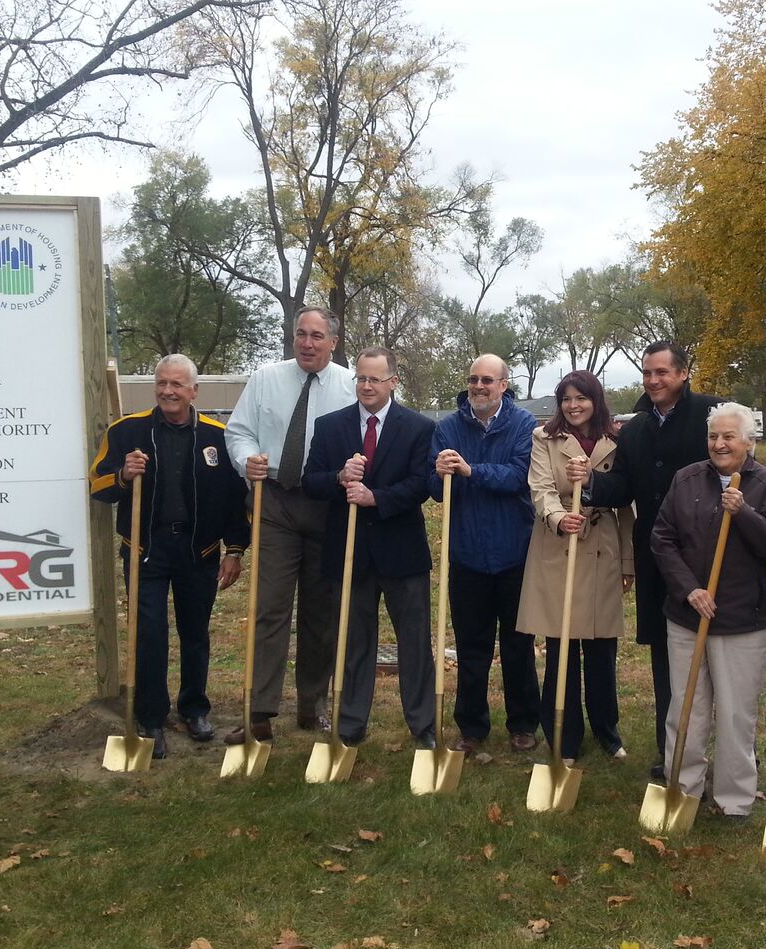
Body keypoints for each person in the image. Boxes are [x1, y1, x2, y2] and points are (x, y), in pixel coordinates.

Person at [565, 341, 724, 781]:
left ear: (683, 373)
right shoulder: (633, 431)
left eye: (662, 373)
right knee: (666, 659)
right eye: (647, 373)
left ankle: (726, 758)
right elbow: (624, 488)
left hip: (711, 555)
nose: (653, 381)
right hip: (658, 558)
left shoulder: (712, 417)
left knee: (721, 659)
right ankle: (670, 751)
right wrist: (593, 482)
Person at [89, 354, 249, 758]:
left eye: (177, 385)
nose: (168, 391)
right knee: (149, 634)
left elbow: (235, 501)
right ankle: (151, 718)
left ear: (194, 391)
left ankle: (195, 709)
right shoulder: (128, 432)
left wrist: (234, 549)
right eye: (162, 383)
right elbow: (97, 485)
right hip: (147, 551)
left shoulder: (217, 437)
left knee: (195, 634)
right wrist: (124, 475)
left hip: (200, 550)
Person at [649, 402, 766, 818]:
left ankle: (734, 800)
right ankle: (684, 786)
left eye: (729, 436)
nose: (719, 444)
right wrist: (690, 589)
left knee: (735, 715)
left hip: (741, 621)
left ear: (749, 442)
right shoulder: (687, 479)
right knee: (686, 708)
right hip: (688, 615)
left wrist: (744, 513)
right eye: (714, 436)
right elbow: (662, 539)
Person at [223, 306, 355, 744]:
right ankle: (258, 709)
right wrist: (248, 460)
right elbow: (237, 431)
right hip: (275, 502)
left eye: (318, 336)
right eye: (301, 334)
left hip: (326, 504)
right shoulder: (265, 379)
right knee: (270, 607)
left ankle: (313, 704)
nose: (308, 343)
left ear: (333, 342)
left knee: (321, 612)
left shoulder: (351, 385)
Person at [302, 347, 437, 747]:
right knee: (353, 642)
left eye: (374, 379)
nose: (365, 385)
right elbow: (311, 481)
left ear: (393, 382)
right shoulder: (330, 427)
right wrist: (340, 476)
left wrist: (375, 497)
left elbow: (421, 486)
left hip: (402, 553)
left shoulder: (418, 428)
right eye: (360, 378)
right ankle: (351, 724)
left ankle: (423, 725)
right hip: (349, 553)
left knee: (413, 643)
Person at [516, 371, 633, 763]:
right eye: (566, 399)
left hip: (602, 548)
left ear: (595, 401)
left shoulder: (617, 440)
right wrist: (557, 517)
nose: (573, 405)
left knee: (602, 650)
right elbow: (541, 487)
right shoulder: (543, 438)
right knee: (560, 648)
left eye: (581, 398)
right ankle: (563, 736)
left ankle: (607, 730)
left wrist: (628, 562)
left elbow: (627, 503)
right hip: (558, 549)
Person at [428, 355, 541, 754]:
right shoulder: (447, 428)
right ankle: (472, 728)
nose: (479, 386)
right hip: (467, 554)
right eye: (474, 379)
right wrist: (439, 470)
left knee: (518, 644)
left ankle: (524, 723)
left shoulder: (525, 426)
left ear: (504, 385)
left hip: (514, 553)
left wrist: (471, 471)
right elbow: (431, 484)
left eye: (488, 381)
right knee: (471, 646)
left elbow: (519, 476)